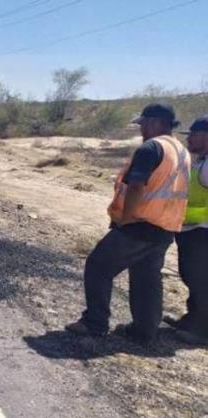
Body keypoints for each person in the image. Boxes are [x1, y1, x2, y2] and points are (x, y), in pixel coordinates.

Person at [66, 103, 190, 344]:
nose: (141, 129)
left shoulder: (151, 148)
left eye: (142, 123)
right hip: (165, 228)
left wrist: (125, 218)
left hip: (139, 224)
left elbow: (136, 186)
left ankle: (95, 323)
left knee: (98, 266)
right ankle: (145, 332)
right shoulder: (181, 150)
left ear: (155, 122)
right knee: (147, 278)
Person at [165, 115, 208, 345]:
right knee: (193, 277)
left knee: (202, 281)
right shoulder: (201, 161)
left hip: (203, 232)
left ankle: (202, 331)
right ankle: (192, 319)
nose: (189, 139)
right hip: (191, 230)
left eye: (194, 134)